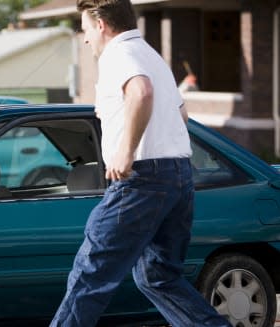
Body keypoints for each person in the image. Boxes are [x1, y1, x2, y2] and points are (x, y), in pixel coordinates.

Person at [49, 1, 231, 326]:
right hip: (177, 176)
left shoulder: (119, 54)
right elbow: (181, 115)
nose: (85, 37)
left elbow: (142, 93)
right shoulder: (151, 55)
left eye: (86, 28)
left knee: (90, 272)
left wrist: (125, 150)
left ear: (101, 24)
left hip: (143, 179)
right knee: (157, 276)